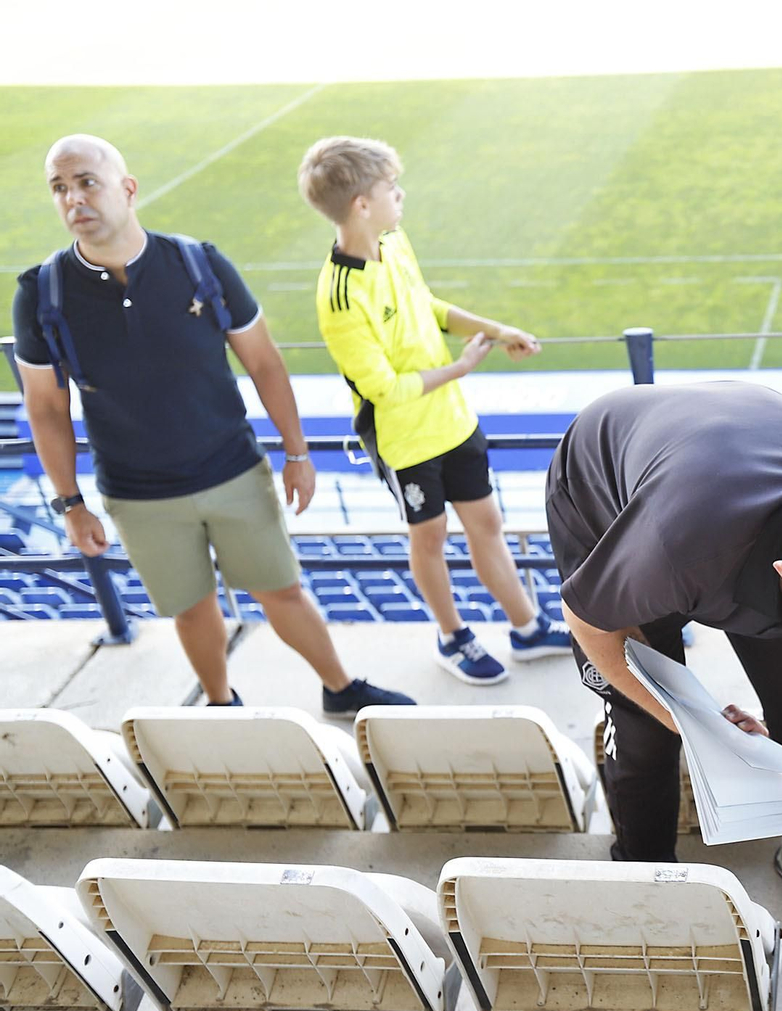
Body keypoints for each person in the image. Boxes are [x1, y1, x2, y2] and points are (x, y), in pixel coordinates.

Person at [12, 134, 413, 713]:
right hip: (137, 493)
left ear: (127, 189)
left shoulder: (197, 263)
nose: (74, 198)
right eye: (59, 188)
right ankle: (222, 705)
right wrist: (70, 504)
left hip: (233, 471)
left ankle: (340, 688)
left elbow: (265, 364)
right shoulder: (40, 294)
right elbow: (46, 409)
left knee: (282, 591)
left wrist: (297, 454)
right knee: (192, 609)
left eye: (86, 183)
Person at [547, 381, 782, 884]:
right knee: (646, 734)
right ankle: (646, 874)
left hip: (731, 476)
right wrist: (698, 725)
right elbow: (587, 620)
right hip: (608, 497)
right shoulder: (677, 552)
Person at [298, 136, 568, 685]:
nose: (401, 195)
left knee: (487, 522)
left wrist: (496, 329)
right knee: (431, 536)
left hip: (454, 422)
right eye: (390, 188)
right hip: (405, 441)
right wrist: (461, 369)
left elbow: (428, 305)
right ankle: (453, 638)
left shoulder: (394, 240)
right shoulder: (339, 297)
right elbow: (384, 389)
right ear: (361, 206)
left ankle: (527, 628)